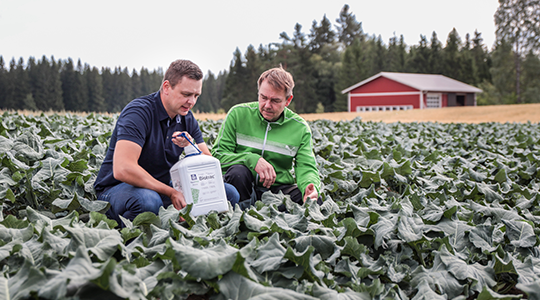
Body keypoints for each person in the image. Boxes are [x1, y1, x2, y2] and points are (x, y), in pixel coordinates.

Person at [94, 59, 239, 225]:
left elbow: (208, 162)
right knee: (147, 201)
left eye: (196, 96)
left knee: (228, 194)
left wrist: (190, 148)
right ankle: (131, 239)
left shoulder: (186, 117)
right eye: (186, 94)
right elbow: (123, 169)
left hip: (161, 187)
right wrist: (171, 192)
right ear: (166, 87)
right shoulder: (139, 113)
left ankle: (191, 230)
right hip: (117, 189)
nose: (191, 102)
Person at [211, 66, 321, 209]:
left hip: (277, 190)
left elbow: (306, 166)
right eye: (263, 97)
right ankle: (240, 217)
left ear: (288, 100)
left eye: (275, 100)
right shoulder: (237, 114)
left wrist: (309, 186)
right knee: (238, 172)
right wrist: (251, 159)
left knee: (314, 203)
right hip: (241, 186)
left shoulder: (299, 127)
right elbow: (217, 157)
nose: (267, 105)